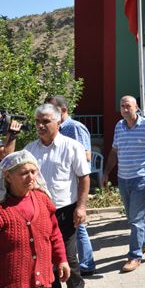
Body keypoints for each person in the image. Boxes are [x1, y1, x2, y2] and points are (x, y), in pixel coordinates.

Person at [25, 104, 90, 288]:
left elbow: (83, 177)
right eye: (38, 121)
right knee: (44, 257)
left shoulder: (71, 146)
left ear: (58, 122)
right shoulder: (30, 150)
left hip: (65, 211)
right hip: (39, 213)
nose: (40, 125)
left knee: (68, 257)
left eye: (45, 121)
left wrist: (81, 207)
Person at [0, 151, 70, 288]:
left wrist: (61, 259)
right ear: (8, 176)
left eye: (33, 171)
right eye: (24, 173)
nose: (31, 177)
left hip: (40, 284)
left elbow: (54, 233)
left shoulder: (42, 199)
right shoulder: (3, 210)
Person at [103, 96, 145, 272]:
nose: (124, 109)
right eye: (122, 106)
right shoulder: (119, 126)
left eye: (128, 106)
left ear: (136, 107)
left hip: (141, 177)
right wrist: (106, 172)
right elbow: (114, 151)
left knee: (135, 218)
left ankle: (135, 256)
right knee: (131, 216)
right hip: (123, 177)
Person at [46, 95, 97, 278]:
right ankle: (84, 262)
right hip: (63, 186)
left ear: (63, 110)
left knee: (78, 225)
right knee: (76, 227)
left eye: (52, 110)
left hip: (74, 184)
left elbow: (87, 156)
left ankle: (87, 264)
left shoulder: (74, 128)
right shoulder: (56, 129)